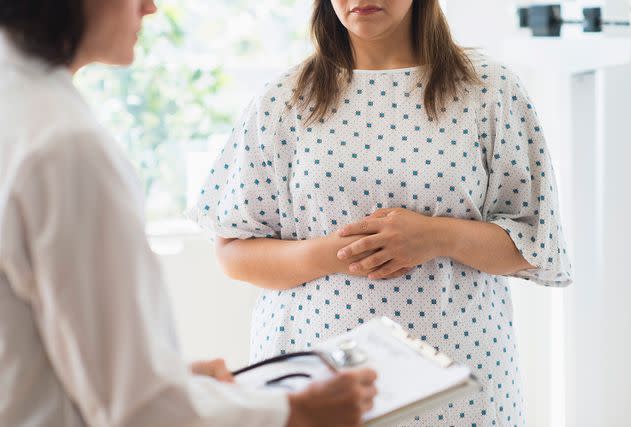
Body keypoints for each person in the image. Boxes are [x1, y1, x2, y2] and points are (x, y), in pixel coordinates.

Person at [189, 0, 573, 425]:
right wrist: (336, 253)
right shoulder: (285, 99)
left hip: (462, 390)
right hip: (320, 387)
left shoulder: (488, 89)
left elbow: (534, 244)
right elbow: (233, 251)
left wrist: (436, 237)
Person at [0, 0, 378, 426]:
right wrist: (297, 413)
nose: (150, 7)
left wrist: (175, 382)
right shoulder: (65, 147)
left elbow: (44, 352)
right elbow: (139, 408)